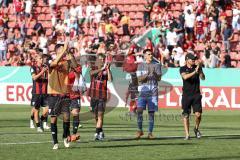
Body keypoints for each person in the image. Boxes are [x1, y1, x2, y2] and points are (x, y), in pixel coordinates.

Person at [47, 39, 77, 149]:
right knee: (53, 118)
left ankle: (65, 136)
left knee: (66, 117)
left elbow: (75, 65)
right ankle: (55, 142)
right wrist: (64, 49)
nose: (63, 52)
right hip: (53, 94)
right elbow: (54, 64)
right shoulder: (50, 61)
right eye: (61, 50)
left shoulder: (66, 62)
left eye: (63, 50)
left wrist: (68, 52)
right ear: (56, 51)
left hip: (64, 94)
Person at [136, 49, 162, 139]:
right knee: (139, 111)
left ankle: (150, 133)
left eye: (151, 54)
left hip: (153, 92)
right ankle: (140, 130)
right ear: (145, 56)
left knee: (151, 113)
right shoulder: (140, 65)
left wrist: (154, 73)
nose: (151, 55)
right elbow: (139, 79)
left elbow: (159, 78)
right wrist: (147, 74)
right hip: (142, 92)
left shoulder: (157, 64)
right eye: (149, 54)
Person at [179, 53, 205, 140]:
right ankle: (187, 134)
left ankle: (196, 129)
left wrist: (200, 70)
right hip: (186, 95)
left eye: (194, 59)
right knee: (186, 115)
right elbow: (185, 77)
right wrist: (195, 72)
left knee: (198, 115)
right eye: (192, 59)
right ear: (187, 60)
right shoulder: (182, 68)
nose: (194, 60)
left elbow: (203, 78)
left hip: (196, 94)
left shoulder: (197, 67)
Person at [88, 53, 113, 141]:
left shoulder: (106, 70)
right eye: (100, 59)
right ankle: (101, 131)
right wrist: (102, 68)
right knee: (96, 116)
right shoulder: (94, 68)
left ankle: (97, 134)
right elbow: (91, 74)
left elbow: (110, 80)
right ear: (97, 60)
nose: (101, 61)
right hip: (93, 95)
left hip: (102, 96)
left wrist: (108, 69)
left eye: (103, 60)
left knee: (100, 115)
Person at [30, 54, 50, 132]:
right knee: (36, 110)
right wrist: (42, 72)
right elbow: (34, 78)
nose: (42, 60)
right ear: (36, 60)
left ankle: (41, 121)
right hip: (36, 92)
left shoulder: (46, 68)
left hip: (45, 92)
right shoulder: (33, 68)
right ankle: (38, 126)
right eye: (40, 58)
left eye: (42, 58)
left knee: (47, 110)